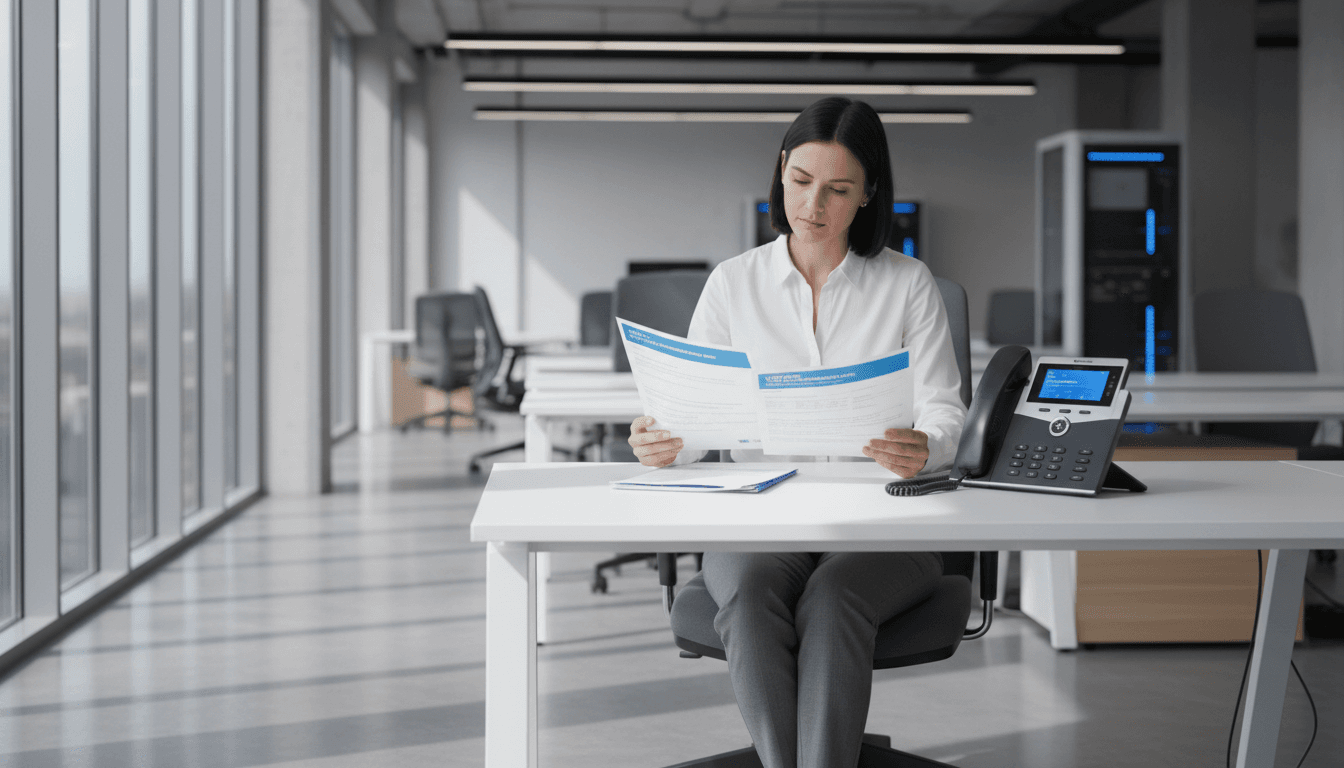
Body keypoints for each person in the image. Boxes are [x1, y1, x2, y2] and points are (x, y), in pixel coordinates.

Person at [626, 97, 967, 768]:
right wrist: (665, 440)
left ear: (869, 193)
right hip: (760, 521)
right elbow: (691, 420)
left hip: (883, 524)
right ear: (781, 170)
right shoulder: (734, 284)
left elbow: (945, 411)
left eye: (839, 189)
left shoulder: (908, 284)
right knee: (750, 598)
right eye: (803, 180)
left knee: (836, 597)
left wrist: (927, 444)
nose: (814, 203)